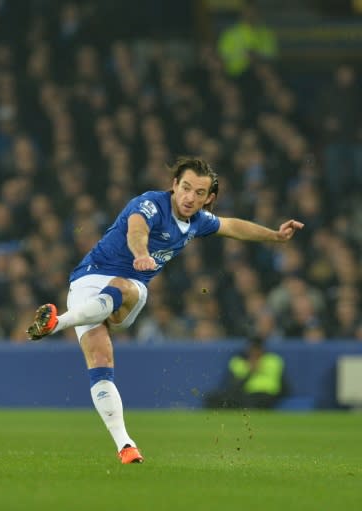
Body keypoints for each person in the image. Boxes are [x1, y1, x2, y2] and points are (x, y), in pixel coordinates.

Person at [26, 156, 303, 464]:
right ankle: (125, 445)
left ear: (208, 198)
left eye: (199, 193)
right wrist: (141, 253)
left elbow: (232, 226)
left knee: (125, 286)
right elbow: (136, 229)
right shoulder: (150, 204)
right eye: (185, 188)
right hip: (88, 281)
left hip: (128, 291)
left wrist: (275, 236)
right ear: (174, 185)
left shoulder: (197, 221)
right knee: (101, 361)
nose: (190, 197)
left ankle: (56, 323)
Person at [204, 334, 288, 409]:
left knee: (253, 402)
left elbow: (278, 384)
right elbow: (234, 384)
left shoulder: (273, 360)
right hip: (245, 394)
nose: (255, 352)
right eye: (252, 349)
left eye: (257, 349)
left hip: (266, 394)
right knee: (214, 398)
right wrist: (250, 371)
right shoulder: (239, 361)